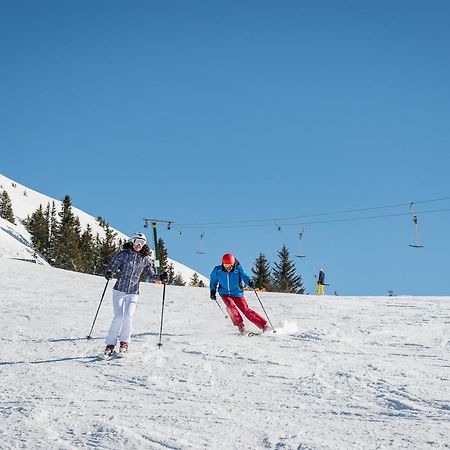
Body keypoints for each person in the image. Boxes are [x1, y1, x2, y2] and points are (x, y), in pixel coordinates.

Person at [102, 232, 166, 357]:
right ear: (132, 241)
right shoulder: (123, 254)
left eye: (142, 243)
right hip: (119, 290)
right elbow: (113, 265)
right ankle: (110, 345)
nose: (139, 245)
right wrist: (109, 272)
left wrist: (161, 277)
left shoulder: (145, 259)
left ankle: (124, 343)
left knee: (128, 316)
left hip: (133, 292)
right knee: (118, 316)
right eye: (137, 242)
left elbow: (150, 275)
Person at [210, 253, 270, 335]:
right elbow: (213, 281)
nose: (227, 268)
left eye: (229, 266)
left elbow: (245, 276)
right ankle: (241, 326)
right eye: (225, 265)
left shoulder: (238, 269)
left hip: (237, 293)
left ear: (233, 264)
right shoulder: (217, 270)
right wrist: (213, 291)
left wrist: (249, 282)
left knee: (246, 310)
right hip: (224, 293)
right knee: (230, 307)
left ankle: (264, 325)